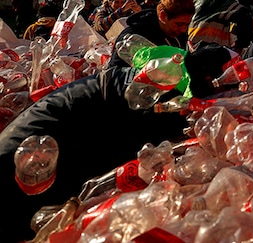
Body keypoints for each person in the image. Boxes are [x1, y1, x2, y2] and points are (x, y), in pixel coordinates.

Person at [0, 40, 234, 243]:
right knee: (21, 220)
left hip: (48, 152)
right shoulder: (153, 93)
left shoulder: (149, 79)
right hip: (27, 160)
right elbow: (143, 146)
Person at [107, 0, 196, 70]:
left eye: (186, 25)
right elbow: (115, 74)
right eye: (179, 24)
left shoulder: (178, 36)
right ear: (162, 16)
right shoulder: (133, 37)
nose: (183, 30)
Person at [187, 0, 253, 55]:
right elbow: (244, 14)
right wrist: (240, 47)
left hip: (192, 47)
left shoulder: (196, 1)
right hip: (214, 50)